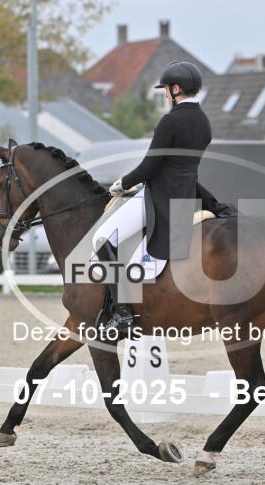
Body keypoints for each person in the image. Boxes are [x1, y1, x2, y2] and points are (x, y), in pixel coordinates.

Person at [92, 60, 235, 334]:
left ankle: (122, 314)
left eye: (167, 90)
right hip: (186, 196)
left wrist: (121, 184)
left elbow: (150, 167)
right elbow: (182, 168)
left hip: (159, 196)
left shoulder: (171, 121)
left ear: (176, 89)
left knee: (103, 238)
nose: (166, 95)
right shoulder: (204, 122)